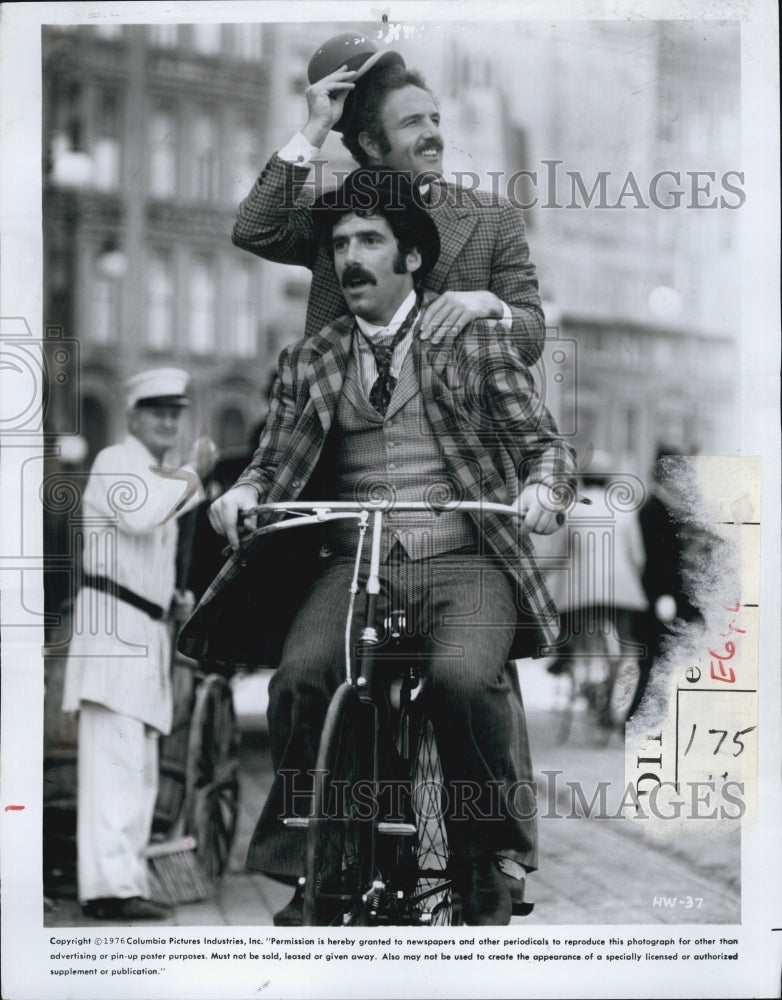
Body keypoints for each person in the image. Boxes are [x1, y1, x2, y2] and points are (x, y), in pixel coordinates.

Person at [181, 170, 576, 925]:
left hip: (464, 559)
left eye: (369, 240)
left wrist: (544, 491)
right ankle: (321, 863)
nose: (350, 258)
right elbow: (271, 462)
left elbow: (546, 445)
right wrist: (244, 492)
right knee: (302, 678)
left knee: (463, 679)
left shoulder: (472, 342)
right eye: (340, 245)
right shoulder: (311, 359)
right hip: (353, 564)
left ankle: (485, 854)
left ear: (412, 258)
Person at [231, 32, 545, 365]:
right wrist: (316, 127)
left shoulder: (494, 217)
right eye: (412, 123)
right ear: (371, 144)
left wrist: (489, 305)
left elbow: (532, 337)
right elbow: (252, 229)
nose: (433, 134)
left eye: (434, 119)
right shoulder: (330, 212)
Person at [62, 368, 214, 921]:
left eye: (175, 412)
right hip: (113, 628)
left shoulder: (155, 473)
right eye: (156, 412)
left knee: (138, 768)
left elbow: (144, 549)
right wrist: (194, 474)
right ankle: (108, 889)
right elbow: (141, 514)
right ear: (132, 417)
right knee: (116, 764)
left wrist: (171, 596)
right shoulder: (114, 461)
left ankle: (122, 881)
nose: (168, 421)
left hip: (143, 629)